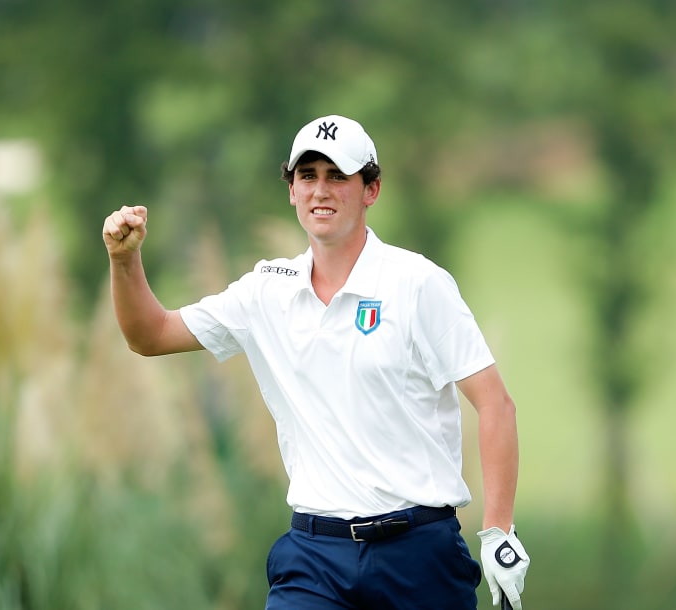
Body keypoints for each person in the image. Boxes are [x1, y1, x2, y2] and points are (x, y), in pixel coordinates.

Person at [102, 115, 529, 609]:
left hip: (418, 555)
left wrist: (497, 531)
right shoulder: (266, 290)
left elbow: (496, 405)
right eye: (308, 176)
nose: (320, 191)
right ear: (291, 190)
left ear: (371, 190)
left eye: (337, 176)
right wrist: (124, 260)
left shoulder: (418, 283)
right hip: (314, 559)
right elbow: (150, 335)